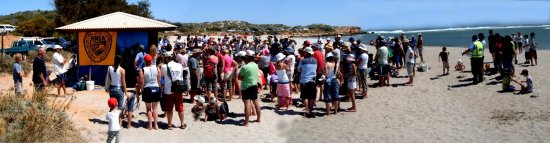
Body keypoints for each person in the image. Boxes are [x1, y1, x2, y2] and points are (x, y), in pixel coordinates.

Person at [160, 51, 187, 130]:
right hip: (179, 89)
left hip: (169, 90)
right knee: (180, 106)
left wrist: (162, 86)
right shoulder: (179, 65)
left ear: (167, 58)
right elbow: (181, 77)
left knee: (169, 108)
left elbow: (162, 79)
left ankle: (169, 125)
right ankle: (182, 124)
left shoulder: (164, 66)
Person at [105, 55, 130, 127]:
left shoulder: (109, 68)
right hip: (119, 90)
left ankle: (111, 121)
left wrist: (107, 87)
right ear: (120, 61)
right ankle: (119, 124)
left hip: (112, 89)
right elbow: (123, 82)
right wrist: (126, 92)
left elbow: (108, 78)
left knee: (112, 106)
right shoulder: (122, 70)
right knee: (120, 108)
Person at [239, 50, 261, 126]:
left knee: (247, 104)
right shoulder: (256, 65)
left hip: (246, 86)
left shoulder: (245, 67)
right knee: (256, 102)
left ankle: (247, 122)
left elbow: (239, 77)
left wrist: (244, 77)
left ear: (247, 57)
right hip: (254, 85)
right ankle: (258, 119)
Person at [139, 55, 161, 130]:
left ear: (144, 61)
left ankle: (150, 125)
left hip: (147, 89)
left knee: (148, 109)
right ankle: (156, 125)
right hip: (156, 87)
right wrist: (160, 88)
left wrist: (142, 90)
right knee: (155, 108)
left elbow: (141, 81)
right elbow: (159, 79)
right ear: (151, 60)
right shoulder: (157, 68)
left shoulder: (142, 69)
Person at [297, 47, 318, 117]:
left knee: (305, 96)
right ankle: (311, 110)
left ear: (306, 53)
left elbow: (298, 70)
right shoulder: (315, 60)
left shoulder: (303, 61)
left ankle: (306, 110)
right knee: (312, 97)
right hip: (313, 80)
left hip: (304, 80)